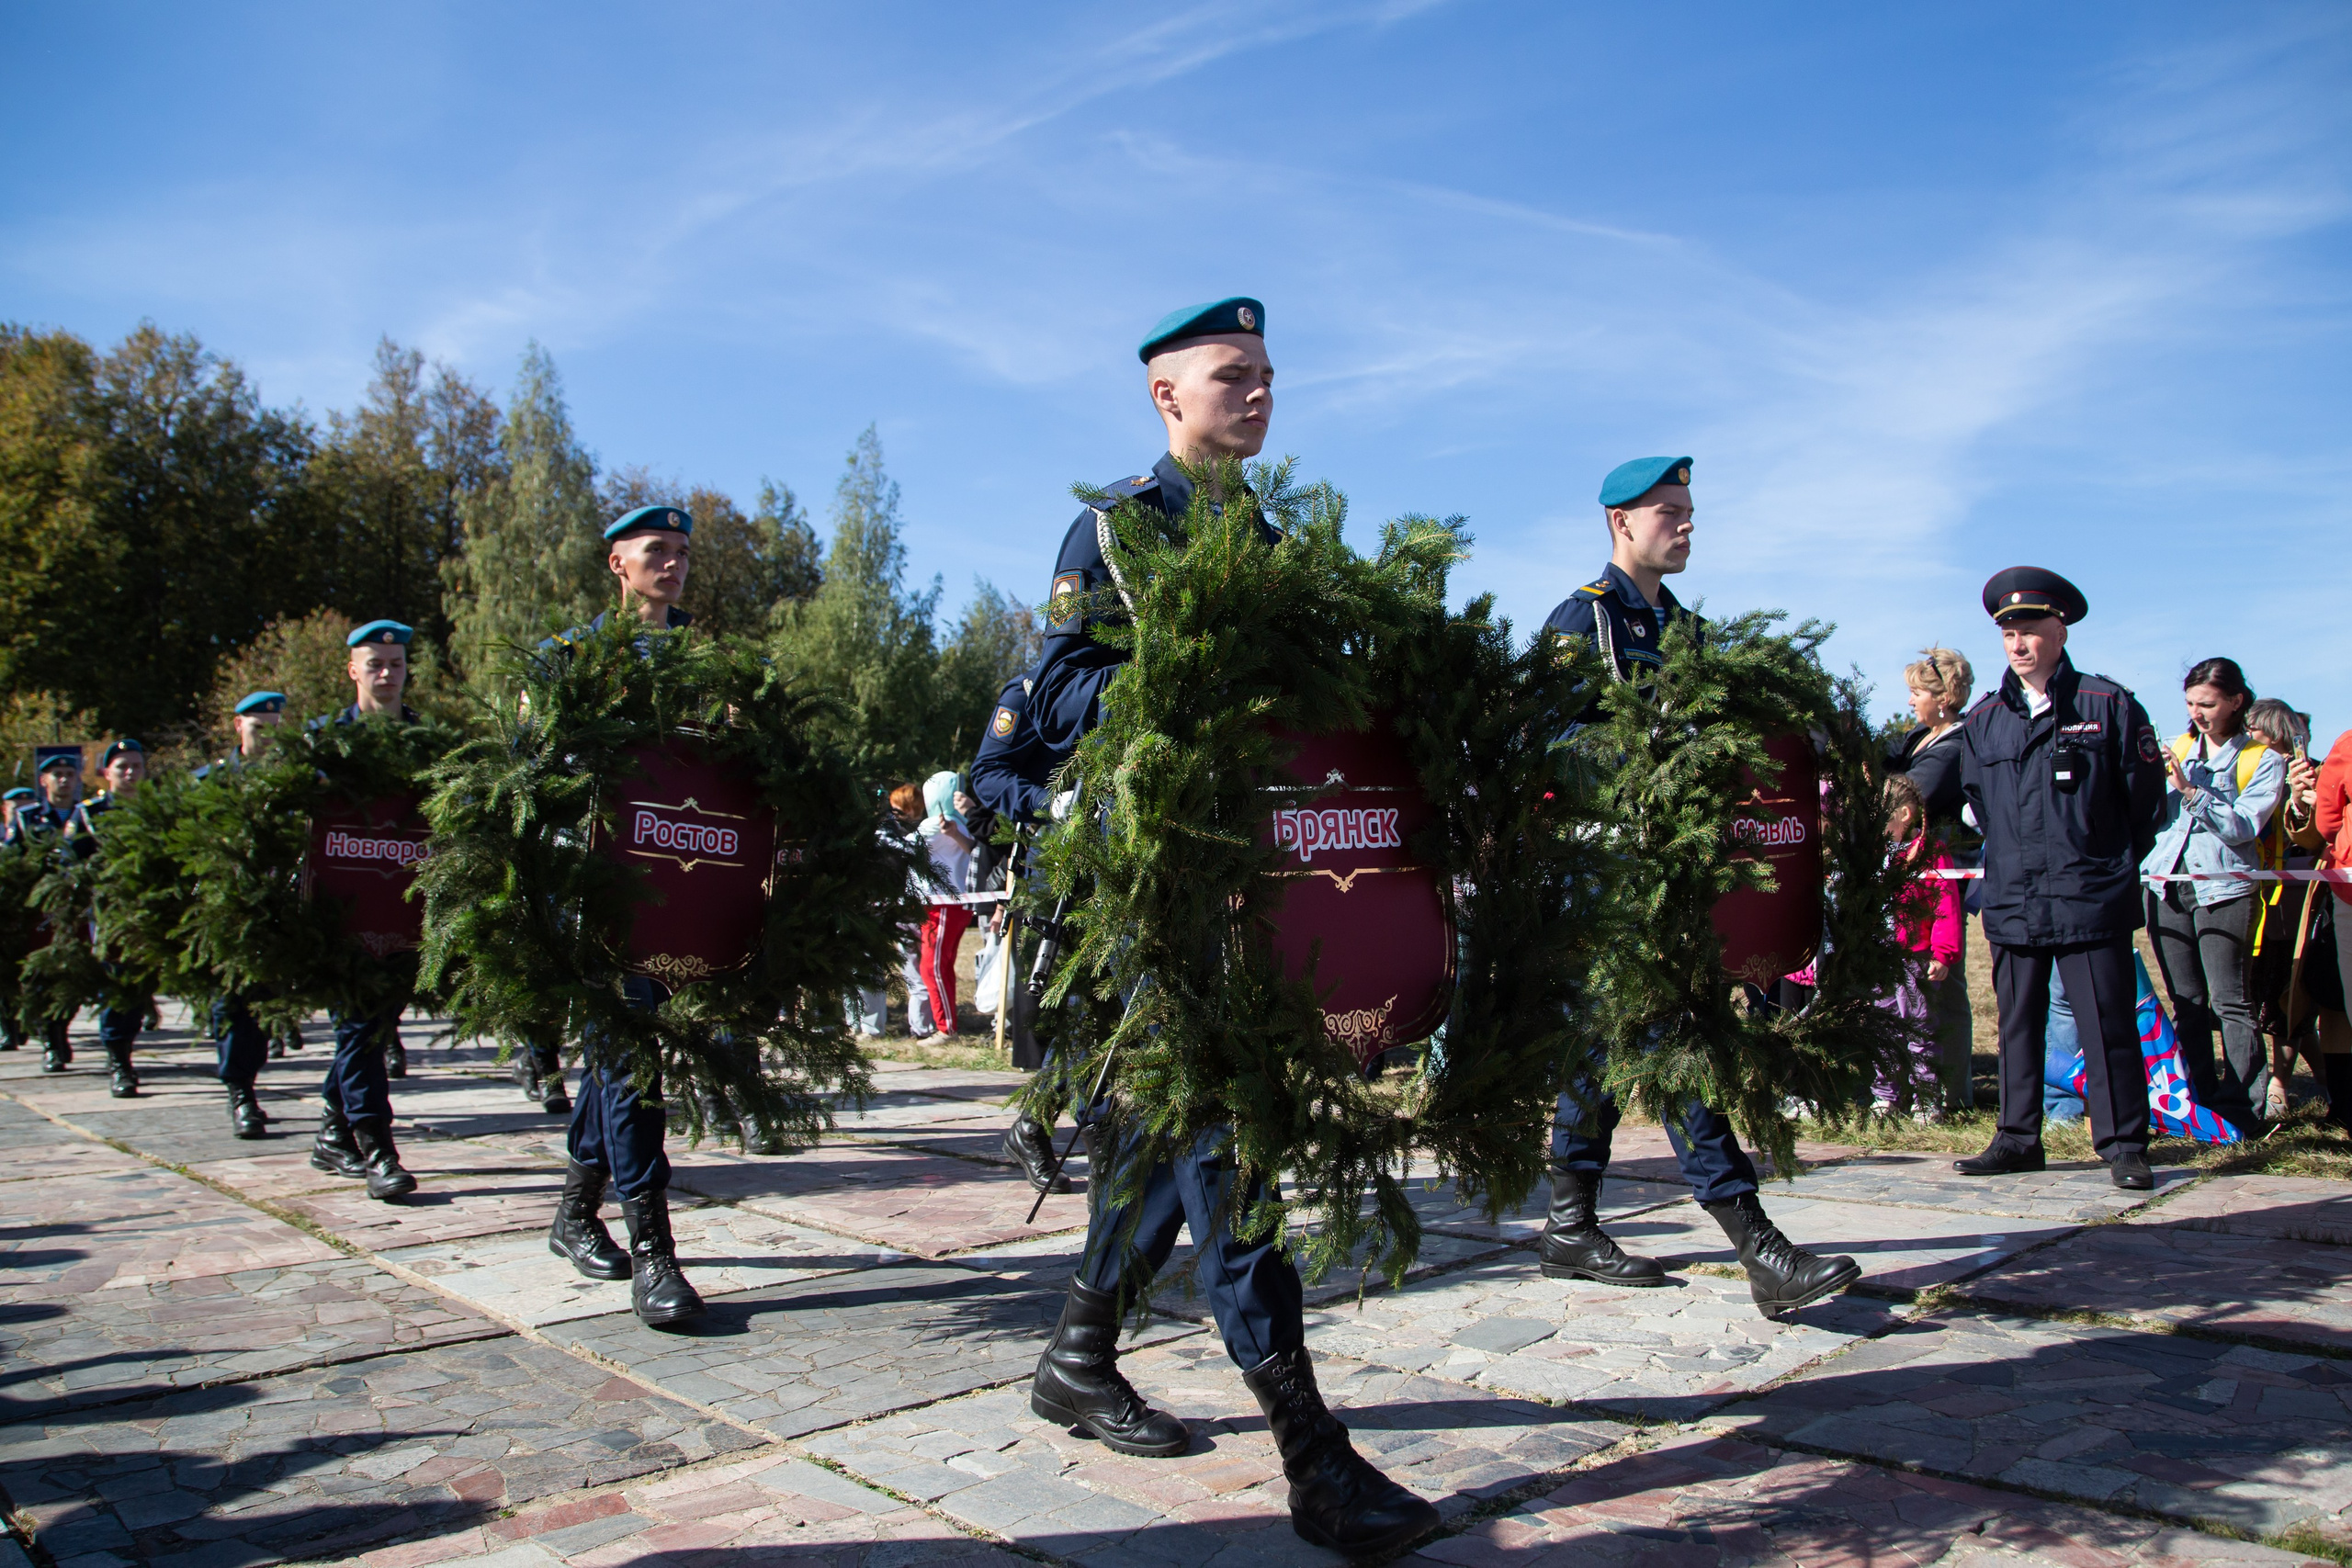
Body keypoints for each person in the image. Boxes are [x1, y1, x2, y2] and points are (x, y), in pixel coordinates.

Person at [1017, 297, 1437, 1559]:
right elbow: (1059, 694)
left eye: (1265, 373)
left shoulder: (1276, 537)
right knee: (1228, 1141)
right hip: (1169, 892)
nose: (1258, 391)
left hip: (1271, 883)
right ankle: (1313, 1457)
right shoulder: (1117, 527)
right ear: (1167, 395)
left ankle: (1077, 1354)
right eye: (1230, 373)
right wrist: (1191, 682)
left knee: (1162, 1138)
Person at [1534, 455, 1860, 1318]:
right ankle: (1758, 1246)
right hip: (1610, 872)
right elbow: (1550, 741)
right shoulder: (1584, 619)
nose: (1685, 525)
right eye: (1668, 511)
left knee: (1602, 1048)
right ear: (1621, 522)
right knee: (1675, 1038)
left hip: (1676, 873)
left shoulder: (1687, 628)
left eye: (1689, 511)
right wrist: (1644, 758)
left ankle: (1568, 1225)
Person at [539, 504, 705, 1329]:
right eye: (655, 551)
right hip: (599, 887)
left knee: (619, 1057)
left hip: (682, 880)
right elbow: (538, 769)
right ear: (618, 563)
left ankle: (575, 1211)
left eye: (681, 552)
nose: (672, 563)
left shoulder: (709, 660)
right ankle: (654, 1250)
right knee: (628, 1055)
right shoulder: (572, 659)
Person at [1956, 567, 2165, 1189]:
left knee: (2107, 1022)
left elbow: (2145, 804)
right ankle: (2017, 1138)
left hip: (2088, 895)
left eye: (2029, 630)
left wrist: (2101, 860)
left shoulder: (2107, 705)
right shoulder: (1985, 717)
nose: (2018, 644)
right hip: (2015, 897)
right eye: (2008, 633)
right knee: (2018, 1024)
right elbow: (1980, 801)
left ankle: (2124, 1143)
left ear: (2060, 631)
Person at [2140, 658, 2286, 1135]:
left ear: (2236, 701)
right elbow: (2150, 816)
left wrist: (2190, 791)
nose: (2197, 713)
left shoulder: (2263, 760)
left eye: (2207, 704)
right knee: (2186, 1001)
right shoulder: (2178, 748)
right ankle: (2196, 1102)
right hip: (2166, 884)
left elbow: (2243, 827)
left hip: (2224, 889)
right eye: (2190, 704)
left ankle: (2245, 1107)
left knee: (2230, 1001)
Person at [305, 621, 423, 1201]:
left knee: (375, 1027)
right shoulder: (325, 743)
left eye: (396, 664)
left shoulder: (424, 739)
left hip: (405, 910)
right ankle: (378, 1150)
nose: (386, 674)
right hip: (344, 914)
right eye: (374, 664)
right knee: (359, 1026)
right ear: (353, 670)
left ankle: (333, 1128)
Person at [1886, 648, 1978, 1111]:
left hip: (1939, 876)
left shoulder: (1954, 748)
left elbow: (1907, 793)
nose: (1909, 701)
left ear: (1943, 699)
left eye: (1916, 693)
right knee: (1911, 987)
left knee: (1944, 982)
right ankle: (1913, 1083)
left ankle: (1952, 1091)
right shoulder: (1921, 738)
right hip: (1910, 875)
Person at [203, 692, 288, 1137]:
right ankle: (240, 1092)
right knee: (234, 1002)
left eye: (275, 728)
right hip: (231, 910)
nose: (267, 737)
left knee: (266, 1004)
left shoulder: (292, 778)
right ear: (238, 726)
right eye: (258, 728)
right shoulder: (214, 782)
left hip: (280, 908)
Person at [65, 739, 153, 1098]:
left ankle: (125, 1044)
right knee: (118, 985)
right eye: (122, 767)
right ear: (106, 773)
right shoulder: (90, 813)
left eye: (137, 766)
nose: (130, 773)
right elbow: (71, 862)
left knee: (142, 987)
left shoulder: (155, 807)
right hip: (111, 911)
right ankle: (119, 1060)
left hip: (151, 910)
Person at [1875, 773, 1963, 1115]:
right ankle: (1886, 1096)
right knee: (1882, 1026)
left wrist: (1943, 954)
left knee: (1920, 1028)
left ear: (1905, 815)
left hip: (1917, 957)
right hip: (1880, 955)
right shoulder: (1875, 853)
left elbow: (1946, 905)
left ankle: (1926, 1098)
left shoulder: (1930, 854)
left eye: (1883, 814)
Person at [19, 746, 86, 1072]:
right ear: (43, 780)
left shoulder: (86, 814)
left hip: (77, 908)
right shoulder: (29, 818)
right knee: (43, 976)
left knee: (76, 973)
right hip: (41, 911)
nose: (64, 780)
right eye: (57, 775)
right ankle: (51, 1039)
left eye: (70, 775)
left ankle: (61, 1027)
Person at [913, 771, 977, 1041]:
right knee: (941, 966)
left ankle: (945, 1028)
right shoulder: (962, 824)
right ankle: (946, 1025)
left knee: (932, 967)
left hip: (943, 905)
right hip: (949, 904)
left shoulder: (935, 825)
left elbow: (907, 847)